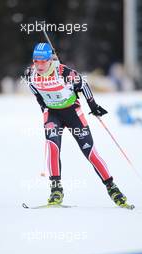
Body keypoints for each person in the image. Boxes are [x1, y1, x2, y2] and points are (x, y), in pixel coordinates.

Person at [25, 42, 129, 207]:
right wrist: (44, 106)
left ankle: (112, 187)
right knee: (52, 146)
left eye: (43, 61)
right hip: (53, 114)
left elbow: (84, 85)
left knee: (90, 152)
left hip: (73, 113)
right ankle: (56, 190)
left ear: (50, 59)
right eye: (36, 61)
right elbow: (35, 90)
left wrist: (93, 106)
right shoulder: (30, 74)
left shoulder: (64, 73)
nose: (39, 65)